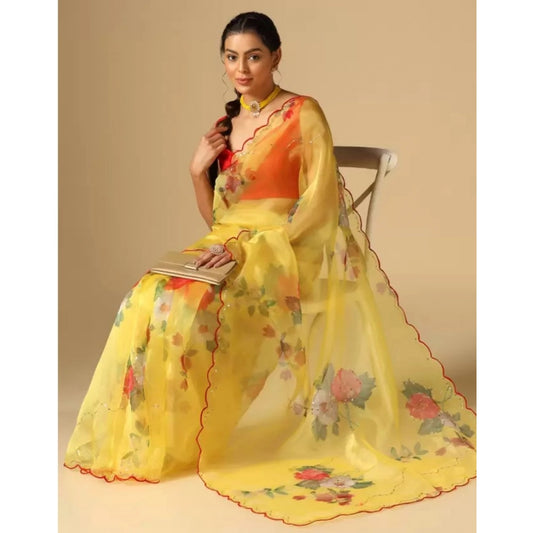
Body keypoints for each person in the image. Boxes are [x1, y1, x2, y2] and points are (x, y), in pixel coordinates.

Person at [64, 11, 476, 525]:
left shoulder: (303, 113)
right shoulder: (225, 125)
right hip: (226, 244)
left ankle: (199, 431)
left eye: (253, 57)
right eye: (231, 57)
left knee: (195, 304)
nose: (241, 69)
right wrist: (196, 170)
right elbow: (219, 219)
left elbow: (320, 206)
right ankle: (163, 436)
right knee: (147, 298)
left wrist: (253, 250)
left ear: (276, 57)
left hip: (286, 249)